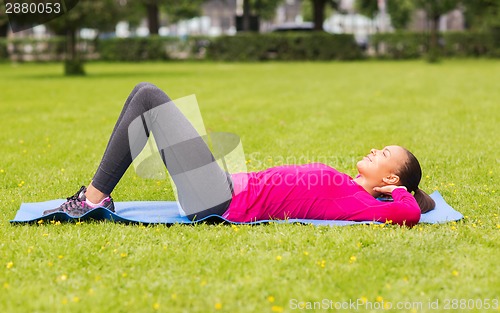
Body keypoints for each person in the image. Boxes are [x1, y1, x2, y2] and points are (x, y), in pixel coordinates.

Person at [43, 83, 435, 227]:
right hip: (221, 184)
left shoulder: (362, 205)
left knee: (149, 96)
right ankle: (96, 196)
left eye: (383, 153)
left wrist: (402, 194)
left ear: (391, 178)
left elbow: (409, 211)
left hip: (216, 199)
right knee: (140, 98)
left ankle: (92, 200)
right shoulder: (352, 188)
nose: (373, 149)